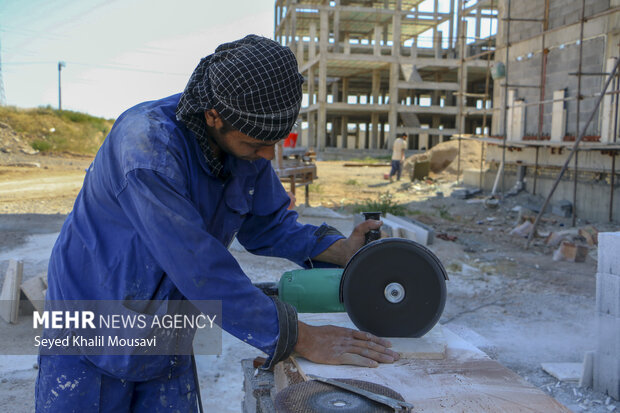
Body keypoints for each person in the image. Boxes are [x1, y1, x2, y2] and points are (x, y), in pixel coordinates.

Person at [35, 35, 398, 412]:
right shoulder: (147, 150)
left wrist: (344, 252)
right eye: (256, 144)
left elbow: (270, 225)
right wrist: (297, 337)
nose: (267, 155)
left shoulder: (244, 142)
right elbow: (201, 269)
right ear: (213, 116)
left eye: (273, 143)